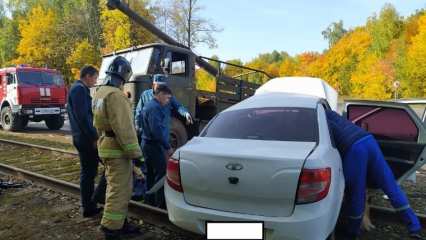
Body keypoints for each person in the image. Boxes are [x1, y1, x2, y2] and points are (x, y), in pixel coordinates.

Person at [326, 109, 421, 239]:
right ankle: (414, 227)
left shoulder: (318, 117)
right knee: (391, 186)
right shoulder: (331, 113)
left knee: (356, 193)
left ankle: (352, 233)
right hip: (368, 140)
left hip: (354, 148)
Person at [92, 56, 143, 240]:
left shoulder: (99, 92)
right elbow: (125, 129)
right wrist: (136, 154)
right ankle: (111, 228)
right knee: (119, 190)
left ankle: (120, 222)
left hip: (106, 146)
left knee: (117, 188)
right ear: (124, 77)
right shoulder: (116, 96)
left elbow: (98, 125)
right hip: (118, 150)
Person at [67, 65, 106, 218]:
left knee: (89, 172)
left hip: (81, 137)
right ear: (88, 76)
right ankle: (92, 203)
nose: (95, 81)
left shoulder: (77, 89)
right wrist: (94, 138)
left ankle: (90, 204)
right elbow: (83, 117)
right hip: (86, 139)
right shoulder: (79, 89)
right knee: (92, 172)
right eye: (95, 78)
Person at [140, 85, 173, 208]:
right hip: (153, 146)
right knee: (161, 173)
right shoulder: (155, 108)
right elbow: (157, 130)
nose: (168, 101)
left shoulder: (148, 105)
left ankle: (149, 202)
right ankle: (160, 205)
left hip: (146, 144)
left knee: (149, 174)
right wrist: (167, 146)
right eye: (167, 98)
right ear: (161, 94)